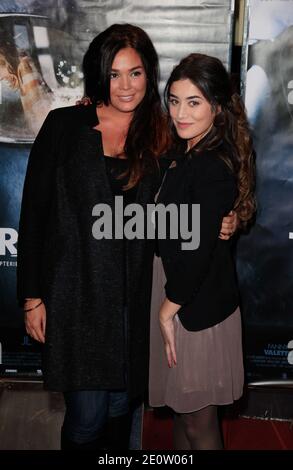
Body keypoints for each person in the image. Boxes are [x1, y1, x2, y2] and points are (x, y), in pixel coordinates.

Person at [17, 24, 237, 450]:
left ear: (148, 74)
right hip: (76, 297)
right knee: (86, 418)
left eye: (134, 73)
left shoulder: (165, 133)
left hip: (137, 298)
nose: (125, 86)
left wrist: (229, 218)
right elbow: (35, 215)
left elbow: (203, 188)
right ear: (100, 74)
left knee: (121, 412)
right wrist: (32, 297)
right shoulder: (65, 125)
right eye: (114, 74)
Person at [149, 53, 255, 450]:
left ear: (217, 107)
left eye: (193, 102)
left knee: (199, 423)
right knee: (184, 413)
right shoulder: (184, 152)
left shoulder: (209, 162)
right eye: (174, 101)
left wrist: (167, 307)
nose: (180, 112)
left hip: (192, 305)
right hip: (181, 294)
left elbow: (196, 252)